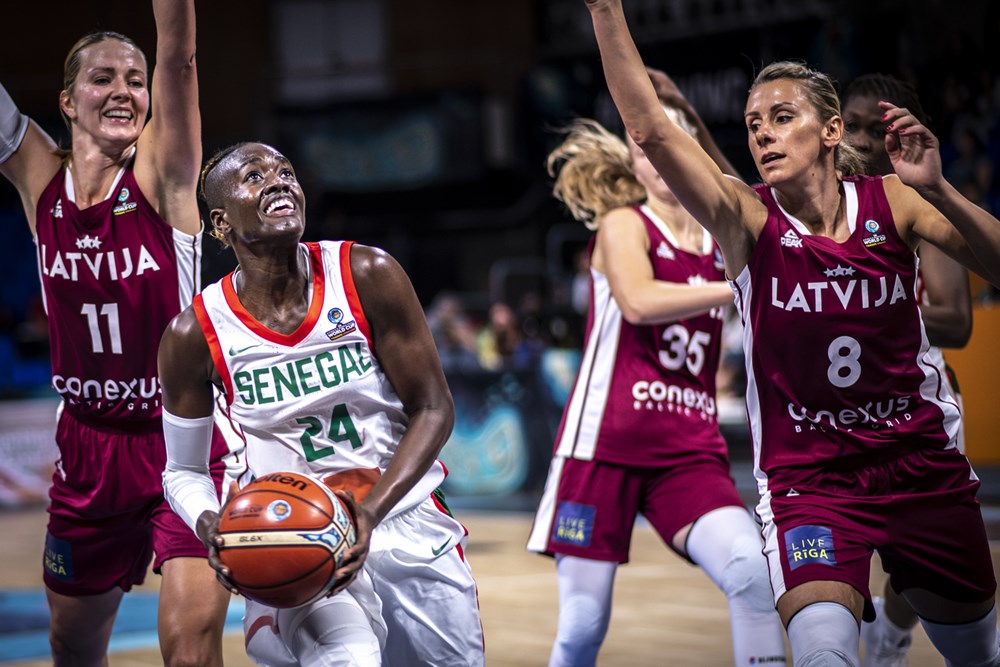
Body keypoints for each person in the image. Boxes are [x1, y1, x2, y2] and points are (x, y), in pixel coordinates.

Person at [582, 1, 1000, 665]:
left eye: (782, 118)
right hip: (813, 478)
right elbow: (653, 132)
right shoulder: (746, 218)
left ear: (831, 130)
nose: (764, 135)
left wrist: (943, 190)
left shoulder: (896, 200)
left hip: (921, 466)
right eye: (753, 125)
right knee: (823, 652)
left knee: (978, 654)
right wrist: (606, 10)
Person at [158, 141, 486, 666]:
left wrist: (370, 513)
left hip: (403, 518)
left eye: (286, 171)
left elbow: (433, 408)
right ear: (220, 221)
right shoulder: (193, 333)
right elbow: (183, 471)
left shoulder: (367, 273)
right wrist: (210, 524)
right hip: (291, 532)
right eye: (255, 175)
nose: (278, 180)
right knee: (347, 657)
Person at [0, 3, 241, 665]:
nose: (124, 91)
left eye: (134, 80)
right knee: (72, 648)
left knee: (189, 651)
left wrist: (170, 40)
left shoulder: (163, 176)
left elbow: (178, 56)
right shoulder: (40, 178)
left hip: (183, 440)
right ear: (68, 101)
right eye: (102, 79)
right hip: (87, 447)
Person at [526, 80, 787, 666]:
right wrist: (737, 289)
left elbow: (756, 198)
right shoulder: (624, 224)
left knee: (751, 572)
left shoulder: (727, 235)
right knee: (583, 627)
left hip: (687, 453)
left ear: (690, 148)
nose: (659, 159)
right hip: (602, 449)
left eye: (670, 144)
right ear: (634, 165)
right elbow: (639, 301)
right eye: (645, 151)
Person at [842, 72, 976, 667]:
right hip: (832, 415)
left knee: (913, 565)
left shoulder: (921, 200)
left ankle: (891, 641)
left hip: (914, 411)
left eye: (880, 129)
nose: (865, 142)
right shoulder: (808, 198)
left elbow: (955, 320)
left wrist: (866, 298)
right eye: (855, 126)